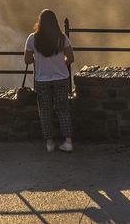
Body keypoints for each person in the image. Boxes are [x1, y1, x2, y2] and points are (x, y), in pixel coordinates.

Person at [25, 9, 75, 153]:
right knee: (63, 109)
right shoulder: (62, 37)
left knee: (45, 111)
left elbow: (27, 60)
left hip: (42, 79)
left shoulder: (32, 39)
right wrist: (60, 64)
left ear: (40, 23)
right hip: (61, 78)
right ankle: (68, 142)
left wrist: (39, 61)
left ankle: (49, 143)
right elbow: (70, 58)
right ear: (55, 22)